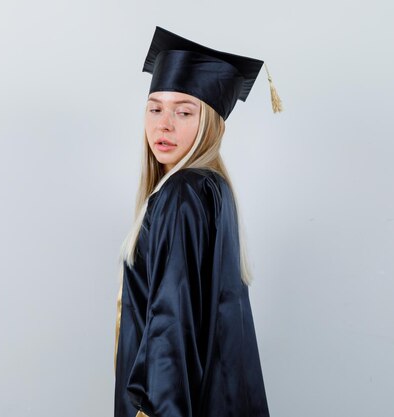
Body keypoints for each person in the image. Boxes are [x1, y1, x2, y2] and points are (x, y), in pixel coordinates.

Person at [113, 26, 281, 417]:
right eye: (155, 108)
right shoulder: (213, 189)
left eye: (184, 111)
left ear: (214, 125)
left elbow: (171, 327)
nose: (163, 124)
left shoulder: (182, 193)